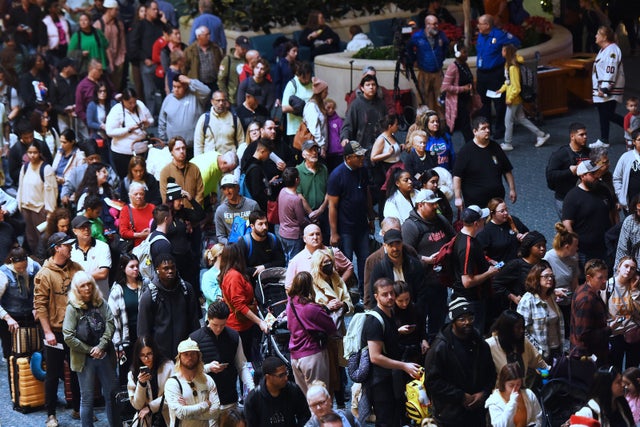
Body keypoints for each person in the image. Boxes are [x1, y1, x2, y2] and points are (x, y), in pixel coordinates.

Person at [425, 297, 496, 427]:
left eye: (470, 318)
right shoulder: (439, 348)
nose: (467, 322)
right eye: (462, 319)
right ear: (453, 321)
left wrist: (483, 393)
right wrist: (461, 396)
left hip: (477, 412)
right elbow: (432, 382)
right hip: (450, 414)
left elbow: (491, 373)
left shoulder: (480, 343)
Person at [361, 278, 422, 427]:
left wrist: (397, 332)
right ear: (376, 296)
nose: (390, 297)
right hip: (379, 381)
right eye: (384, 294)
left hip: (390, 378)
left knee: (395, 418)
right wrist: (404, 366)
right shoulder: (374, 321)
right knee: (386, 420)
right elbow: (375, 357)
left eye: (391, 293)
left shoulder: (389, 314)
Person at [62, 271, 119, 427]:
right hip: (84, 359)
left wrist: (101, 346)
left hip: (104, 354)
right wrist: (90, 350)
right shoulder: (72, 307)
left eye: (89, 284)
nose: (87, 288)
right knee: (86, 398)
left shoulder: (100, 302)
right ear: (77, 289)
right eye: (83, 286)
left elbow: (110, 322)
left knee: (111, 394)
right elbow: (68, 336)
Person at [401, 188, 455, 340]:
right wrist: (426, 259)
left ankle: (438, 342)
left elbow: (454, 238)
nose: (436, 207)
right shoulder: (410, 227)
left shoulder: (440, 219)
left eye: (436, 203)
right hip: (422, 282)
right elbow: (405, 255)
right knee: (421, 318)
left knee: (439, 316)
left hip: (441, 279)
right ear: (420, 205)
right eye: (431, 204)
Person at [327, 140, 374, 299]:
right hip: (345, 228)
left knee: (365, 260)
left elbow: (366, 193)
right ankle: (346, 296)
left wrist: (371, 217)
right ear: (348, 158)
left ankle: (364, 293)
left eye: (363, 155)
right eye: (358, 156)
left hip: (362, 225)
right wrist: (334, 232)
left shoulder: (363, 170)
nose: (362, 158)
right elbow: (332, 206)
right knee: (346, 264)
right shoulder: (336, 175)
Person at [189, 300, 255, 411]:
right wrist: (208, 368)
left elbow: (242, 366)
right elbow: (186, 372)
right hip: (204, 402)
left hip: (229, 398)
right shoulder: (194, 339)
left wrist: (252, 388)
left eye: (222, 325)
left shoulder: (234, 336)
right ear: (208, 318)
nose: (219, 329)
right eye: (215, 325)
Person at [137, 253, 201, 360]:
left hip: (185, 352)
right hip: (159, 354)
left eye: (172, 268)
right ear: (157, 270)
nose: (170, 271)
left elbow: (194, 322)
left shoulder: (186, 290)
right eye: (166, 269)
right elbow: (143, 331)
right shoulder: (149, 296)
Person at [310, 249, 353, 405]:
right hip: (323, 335)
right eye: (324, 263)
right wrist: (327, 307)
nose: (328, 265)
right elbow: (310, 310)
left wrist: (344, 305)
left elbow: (349, 303)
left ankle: (341, 402)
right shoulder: (312, 283)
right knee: (329, 371)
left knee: (340, 366)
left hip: (339, 329)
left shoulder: (336, 278)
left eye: (329, 262)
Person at [451, 205, 501, 332]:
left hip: (474, 296)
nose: (485, 221)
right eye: (483, 219)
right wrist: (490, 273)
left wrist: (488, 260)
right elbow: (467, 282)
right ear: (476, 223)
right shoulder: (467, 246)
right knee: (475, 333)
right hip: (471, 299)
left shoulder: (465, 237)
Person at [287, 271, 338, 395]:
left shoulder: (290, 304)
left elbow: (289, 325)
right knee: (320, 395)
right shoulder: (312, 308)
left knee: (307, 399)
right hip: (312, 355)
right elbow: (331, 327)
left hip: (295, 356)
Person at [218, 243, 269, 363]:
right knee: (243, 361)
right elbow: (239, 305)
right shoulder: (234, 276)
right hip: (239, 326)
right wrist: (259, 321)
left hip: (242, 324)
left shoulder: (230, 273)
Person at [453, 116, 516, 210]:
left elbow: (507, 170)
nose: (487, 131)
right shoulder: (465, 151)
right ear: (475, 132)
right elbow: (457, 176)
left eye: (488, 128)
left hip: (496, 200)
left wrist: (512, 189)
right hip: (475, 202)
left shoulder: (495, 147)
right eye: (483, 128)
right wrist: (458, 197)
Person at [496, 44, 550, 152]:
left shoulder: (512, 67)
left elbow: (516, 87)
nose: (501, 52)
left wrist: (510, 98)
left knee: (508, 121)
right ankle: (541, 135)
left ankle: (508, 143)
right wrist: (501, 90)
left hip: (514, 99)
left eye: (503, 50)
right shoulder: (509, 65)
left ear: (507, 52)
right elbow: (508, 82)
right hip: (515, 98)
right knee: (521, 118)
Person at [475, 14, 521, 140]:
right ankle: (485, 128)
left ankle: (500, 129)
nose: (478, 26)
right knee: (484, 103)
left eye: (480, 24)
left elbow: (516, 43)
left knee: (498, 103)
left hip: (495, 73)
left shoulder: (499, 35)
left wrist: (508, 58)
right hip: (482, 73)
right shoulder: (480, 35)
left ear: (487, 25)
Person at [563, 160, 615, 263]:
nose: (597, 176)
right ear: (582, 176)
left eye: (596, 172)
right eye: (592, 174)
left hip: (606, 245)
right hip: (585, 250)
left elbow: (612, 213)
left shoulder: (603, 190)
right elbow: (567, 225)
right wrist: (574, 246)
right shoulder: (572, 197)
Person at [164, 338, 221, 427]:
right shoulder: (172, 383)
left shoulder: (208, 380)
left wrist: (188, 410)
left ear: (198, 356)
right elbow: (180, 413)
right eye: (186, 354)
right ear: (179, 357)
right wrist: (205, 405)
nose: (190, 357)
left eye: (193, 354)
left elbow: (215, 411)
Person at [517, 260, 566, 364]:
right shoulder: (528, 300)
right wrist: (537, 349)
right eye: (546, 276)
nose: (550, 279)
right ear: (536, 278)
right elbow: (522, 330)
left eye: (552, 276)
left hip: (557, 349)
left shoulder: (551, 296)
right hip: (539, 353)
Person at [485, 310, 548, 389]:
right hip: (500, 397)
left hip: (522, 393)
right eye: (518, 328)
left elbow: (540, 363)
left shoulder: (524, 342)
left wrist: (546, 380)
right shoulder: (490, 345)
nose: (522, 331)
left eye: (522, 327)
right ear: (507, 329)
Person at [108, 253, 146, 384]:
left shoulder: (145, 285)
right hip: (126, 337)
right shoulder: (117, 290)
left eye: (137, 266)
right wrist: (118, 345)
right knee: (127, 372)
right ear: (123, 268)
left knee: (144, 370)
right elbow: (113, 319)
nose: (136, 269)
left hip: (143, 335)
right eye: (132, 266)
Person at [244, 356, 311, 427]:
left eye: (286, 373)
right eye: (281, 375)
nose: (286, 378)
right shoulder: (253, 398)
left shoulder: (293, 389)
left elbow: (305, 416)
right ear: (268, 377)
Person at [16, 139, 57, 254]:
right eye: (30, 152)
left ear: (40, 153)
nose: (32, 155)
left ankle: (45, 260)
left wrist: (50, 212)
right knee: (30, 238)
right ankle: (36, 260)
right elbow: (21, 187)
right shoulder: (25, 167)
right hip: (26, 208)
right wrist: (20, 204)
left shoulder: (46, 168)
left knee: (43, 239)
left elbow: (51, 191)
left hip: (40, 210)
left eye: (35, 152)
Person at [491, 231, 547, 314]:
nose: (543, 249)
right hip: (522, 309)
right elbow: (496, 283)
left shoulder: (545, 264)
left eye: (544, 245)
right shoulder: (516, 265)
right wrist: (513, 297)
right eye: (538, 246)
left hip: (543, 307)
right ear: (529, 248)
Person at [285, 224, 354, 291]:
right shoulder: (296, 261)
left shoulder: (333, 252)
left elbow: (349, 267)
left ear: (322, 236)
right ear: (304, 239)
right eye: (311, 235)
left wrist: (339, 284)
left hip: (335, 298)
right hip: (310, 301)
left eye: (318, 234)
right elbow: (288, 287)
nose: (315, 237)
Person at [0, 247, 41, 360]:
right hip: (11, 318)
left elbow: (42, 290)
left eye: (24, 267)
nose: (22, 270)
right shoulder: (3, 273)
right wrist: (7, 318)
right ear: (12, 262)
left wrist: (37, 306)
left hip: (31, 316)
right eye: (19, 268)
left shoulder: (35, 267)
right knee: (12, 355)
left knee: (34, 351)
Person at [105, 87, 154, 179]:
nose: (133, 105)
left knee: (143, 178)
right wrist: (128, 129)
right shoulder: (116, 110)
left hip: (141, 150)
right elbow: (109, 131)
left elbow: (151, 120)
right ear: (123, 100)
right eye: (130, 103)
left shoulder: (140, 105)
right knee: (127, 179)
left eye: (134, 102)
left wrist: (147, 123)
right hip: (122, 153)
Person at [546, 122, 591, 218]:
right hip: (565, 199)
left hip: (584, 197)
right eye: (581, 135)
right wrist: (570, 172)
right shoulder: (560, 155)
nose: (585, 137)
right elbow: (550, 175)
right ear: (572, 136)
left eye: (586, 134)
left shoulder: (588, 152)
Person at [571, 258, 611, 365]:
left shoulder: (587, 291)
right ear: (589, 278)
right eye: (600, 278)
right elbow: (583, 335)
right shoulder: (587, 300)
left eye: (606, 277)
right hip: (588, 358)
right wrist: (609, 329)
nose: (605, 281)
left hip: (591, 354)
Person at [590, 26, 625, 148]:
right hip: (602, 88)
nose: (595, 36)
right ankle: (604, 139)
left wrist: (605, 88)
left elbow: (611, 70)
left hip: (608, 89)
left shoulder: (612, 50)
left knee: (607, 114)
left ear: (604, 37)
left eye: (598, 34)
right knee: (603, 113)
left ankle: (632, 127)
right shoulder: (605, 49)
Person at [128, 335, 174, 426]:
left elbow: (173, 395)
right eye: (142, 355)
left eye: (149, 354)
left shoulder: (168, 367)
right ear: (137, 356)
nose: (146, 358)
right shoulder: (133, 374)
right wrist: (141, 384)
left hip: (167, 415)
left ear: (155, 352)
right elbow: (137, 405)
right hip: (145, 420)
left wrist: (150, 407)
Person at [128, 1, 164, 116]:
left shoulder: (160, 24)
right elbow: (133, 45)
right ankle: (150, 116)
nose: (156, 11)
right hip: (147, 63)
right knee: (150, 92)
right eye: (153, 9)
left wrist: (165, 20)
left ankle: (163, 114)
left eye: (157, 9)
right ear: (147, 10)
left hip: (162, 63)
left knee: (163, 90)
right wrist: (144, 58)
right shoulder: (140, 25)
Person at [407, 14, 449, 112]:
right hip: (424, 72)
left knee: (440, 99)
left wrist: (441, 58)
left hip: (437, 72)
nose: (435, 26)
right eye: (432, 24)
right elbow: (409, 47)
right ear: (427, 25)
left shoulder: (441, 35)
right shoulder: (418, 36)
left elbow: (446, 46)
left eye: (436, 24)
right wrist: (414, 60)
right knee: (424, 98)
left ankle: (441, 123)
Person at [158, 74, 211, 150]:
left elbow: (207, 91)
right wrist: (163, 140)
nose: (175, 89)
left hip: (194, 145)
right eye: (174, 86)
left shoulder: (195, 97)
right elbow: (162, 121)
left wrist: (190, 81)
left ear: (186, 86)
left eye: (179, 87)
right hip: (174, 146)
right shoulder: (168, 99)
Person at [606, 257, 640, 371]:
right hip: (615, 332)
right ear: (619, 267)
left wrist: (635, 290)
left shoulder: (634, 286)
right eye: (626, 266)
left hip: (632, 331)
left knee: (632, 370)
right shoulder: (608, 285)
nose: (629, 270)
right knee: (615, 369)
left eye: (633, 268)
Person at [485, 363, 544, 427]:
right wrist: (512, 404)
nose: (515, 388)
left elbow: (538, 417)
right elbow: (500, 425)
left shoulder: (529, 394)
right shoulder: (494, 401)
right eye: (511, 385)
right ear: (503, 383)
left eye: (518, 384)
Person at [70, 214, 112, 298]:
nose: (86, 229)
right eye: (82, 227)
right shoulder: (70, 250)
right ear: (75, 231)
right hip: (79, 299)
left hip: (101, 298)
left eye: (88, 226)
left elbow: (103, 274)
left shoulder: (103, 246)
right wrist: (94, 273)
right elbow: (69, 276)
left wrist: (79, 277)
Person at [476, 197, 529, 264]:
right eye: (502, 211)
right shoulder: (486, 231)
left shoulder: (513, 220)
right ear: (493, 213)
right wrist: (491, 261)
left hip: (520, 262)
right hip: (503, 268)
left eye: (506, 209)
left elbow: (528, 233)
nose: (506, 213)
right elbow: (479, 253)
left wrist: (524, 236)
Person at [441, 41, 475, 143]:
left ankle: (442, 143)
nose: (466, 54)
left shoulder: (465, 65)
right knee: (465, 126)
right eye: (464, 52)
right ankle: (472, 147)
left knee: (455, 125)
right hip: (457, 102)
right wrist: (462, 89)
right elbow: (445, 87)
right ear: (457, 54)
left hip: (465, 100)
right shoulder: (453, 67)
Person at [238, 209, 286, 279]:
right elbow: (239, 267)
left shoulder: (273, 239)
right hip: (251, 281)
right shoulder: (244, 243)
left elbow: (281, 262)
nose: (265, 227)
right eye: (260, 224)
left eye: (266, 223)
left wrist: (264, 267)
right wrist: (255, 271)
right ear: (252, 226)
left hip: (271, 280)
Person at [194, 90, 244, 156]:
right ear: (212, 102)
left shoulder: (234, 119)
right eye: (218, 100)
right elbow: (198, 144)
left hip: (230, 161)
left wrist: (239, 158)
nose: (221, 103)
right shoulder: (204, 119)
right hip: (210, 161)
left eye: (223, 100)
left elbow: (241, 141)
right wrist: (198, 163)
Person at [159, 136, 204, 209]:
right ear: (171, 152)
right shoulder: (165, 172)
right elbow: (165, 197)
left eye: (183, 148)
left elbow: (200, 192)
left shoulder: (194, 168)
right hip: (176, 214)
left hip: (194, 212)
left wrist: (195, 209)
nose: (181, 151)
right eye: (177, 149)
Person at [214, 174, 259, 244]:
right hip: (232, 248)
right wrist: (231, 244)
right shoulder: (220, 210)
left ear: (237, 188)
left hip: (252, 244)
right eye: (224, 189)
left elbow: (259, 227)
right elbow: (220, 236)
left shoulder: (252, 205)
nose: (227, 191)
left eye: (230, 187)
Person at [278, 167, 310, 262]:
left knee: (287, 259)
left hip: (283, 232)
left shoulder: (282, 191)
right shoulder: (295, 199)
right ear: (297, 180)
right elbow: (301, 220)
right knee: (294, 262)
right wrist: (311, 223)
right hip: (294, 235)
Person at [95, 0, 127, 91]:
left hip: (118, 60)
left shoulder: (118, 24)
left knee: (116, 87)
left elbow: (122, 42)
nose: (117, 12)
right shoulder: (99, 25)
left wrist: (122, 57)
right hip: (104, 61)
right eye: (115, 10)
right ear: (109, 10)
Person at [184, 25, 224, 94]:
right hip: (199, 84)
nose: (209, 37)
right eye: (206, 35)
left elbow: (220, 62)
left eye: (209, 34)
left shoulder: (215, 48)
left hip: (214, 83)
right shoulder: (190, 50)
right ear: (198, 36)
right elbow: (185, 68)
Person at [218, 35, 251, 108]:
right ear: (236, 46)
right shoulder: (228, 60)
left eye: (246, 48)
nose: (245, 51)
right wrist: (225, 98)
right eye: (242, 48)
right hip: (232, 98)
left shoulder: (247, 58)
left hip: (246, 97)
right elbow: (221, 80)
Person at [613, 130, 640, 213]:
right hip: (631, 203)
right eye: (639, 140)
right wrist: (621, 197)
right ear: (634, 142)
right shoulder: (626, 157)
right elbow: (617, 178)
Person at [303, 77, 329, 155]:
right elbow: (314, 129)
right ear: (320, 93)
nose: (327, 94)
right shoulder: (311, 106)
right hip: (315, 146)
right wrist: (322, 145)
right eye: (325, 92)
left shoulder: (318, 105)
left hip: (320, 145)